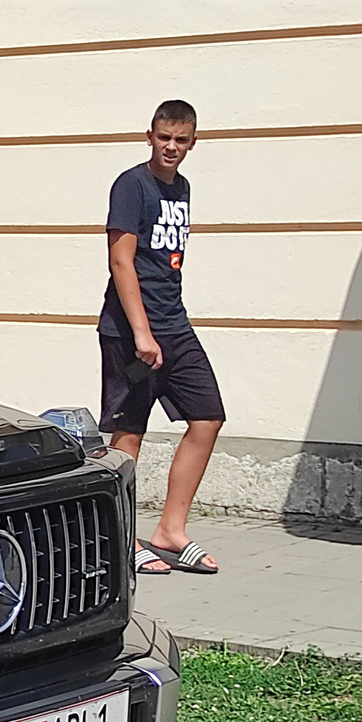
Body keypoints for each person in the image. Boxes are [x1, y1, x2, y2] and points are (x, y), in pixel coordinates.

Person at [101, 99, 223, 575]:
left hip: (176, 324)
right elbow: (120, 260)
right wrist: (141, 333)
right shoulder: (131, 186)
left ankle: (171, 530)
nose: (171, 147)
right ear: (149, 136)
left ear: (193, 142)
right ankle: (122, 537)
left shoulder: (182, 188)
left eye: (181, 140)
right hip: (131, 332)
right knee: (128, 433)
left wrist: (163, 329)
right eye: (164, 137)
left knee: (208, 416)